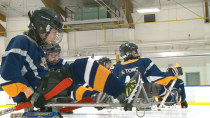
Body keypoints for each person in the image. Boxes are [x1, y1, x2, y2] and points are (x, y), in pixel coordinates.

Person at [0, 7, 143, 111]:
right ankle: (122, 92)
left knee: (76, 77)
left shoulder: (37, 47)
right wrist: (31, 97)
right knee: (83, 65)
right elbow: (7, 73)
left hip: (42, 86)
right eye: (54, 32)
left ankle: (103, 94)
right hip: (39, 89)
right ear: (42, 27)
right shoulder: (21, 41)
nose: (55, 37)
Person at [112, 42, 183, 109]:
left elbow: (114, 84)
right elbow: (158, 77)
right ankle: (169, 100)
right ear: (128, 53)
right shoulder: (144, 61)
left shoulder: (118, 66)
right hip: (143, 91)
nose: (136, 52)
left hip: (123, 95)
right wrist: (173, 73)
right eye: (134, 51)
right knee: (160, 87)